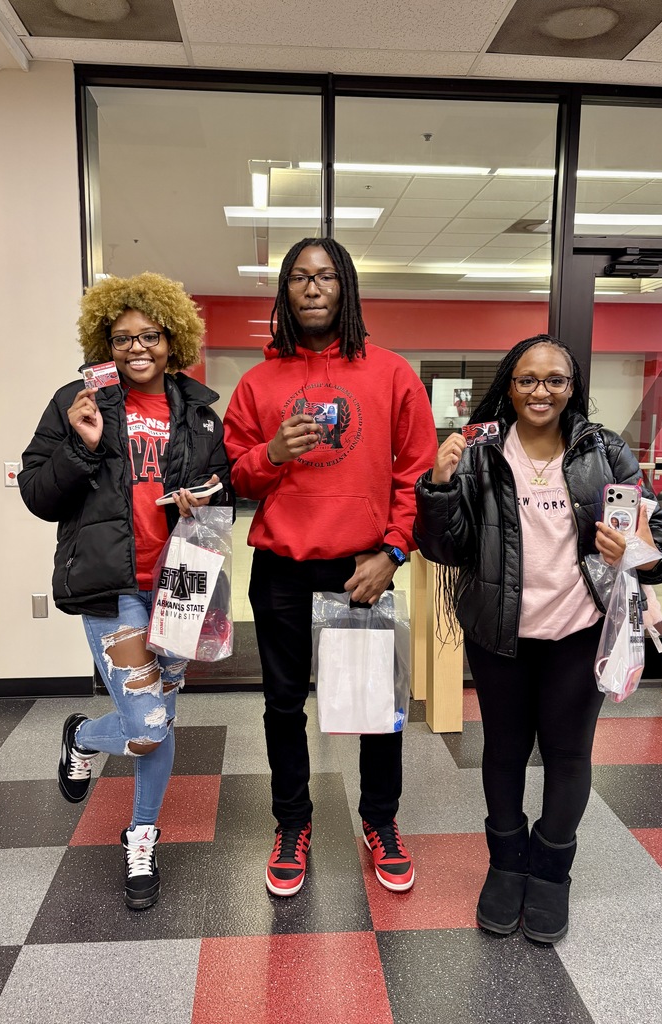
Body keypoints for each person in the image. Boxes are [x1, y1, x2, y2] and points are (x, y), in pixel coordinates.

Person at [414, 334, 662, 943]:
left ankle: (551, 870)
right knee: (503, 754)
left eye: (554, 380)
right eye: (528, 379)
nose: (541, 391)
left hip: (579, 631)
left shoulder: (604, 452)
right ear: (509, 384)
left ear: (571, 387)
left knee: (567, 754)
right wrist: (438, 485)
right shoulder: (479, 452)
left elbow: (660, 548)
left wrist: (633, 551)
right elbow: (443, 547)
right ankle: (506, 864)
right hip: (497, 631)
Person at [223, 237, 438, 897]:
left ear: (345, 287)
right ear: (284, 293)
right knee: (283, 706)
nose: (313, 287)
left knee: (373, 707)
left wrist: (393, 552)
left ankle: (380, 821)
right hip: (283, 568)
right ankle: (292, 822)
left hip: (362, 567)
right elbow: (236, 477)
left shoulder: (392, 373)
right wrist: (272, 452)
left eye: (325, 276)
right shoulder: (258, 383)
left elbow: (416, 474)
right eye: (298, 277)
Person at [19, 272, 232, 910]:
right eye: (121, 338)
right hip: (111, 589)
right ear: (104, 344)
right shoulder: (76, 401)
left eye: (149, 336)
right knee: (147, 721)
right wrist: (81, 450)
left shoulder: (196, 412)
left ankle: (141, 834)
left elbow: (224, 482)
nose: (136, 348)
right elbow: (37, 493)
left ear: (173, 340)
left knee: (158, 722)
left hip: (179, 585)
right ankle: (84, 735)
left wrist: (205, 494)